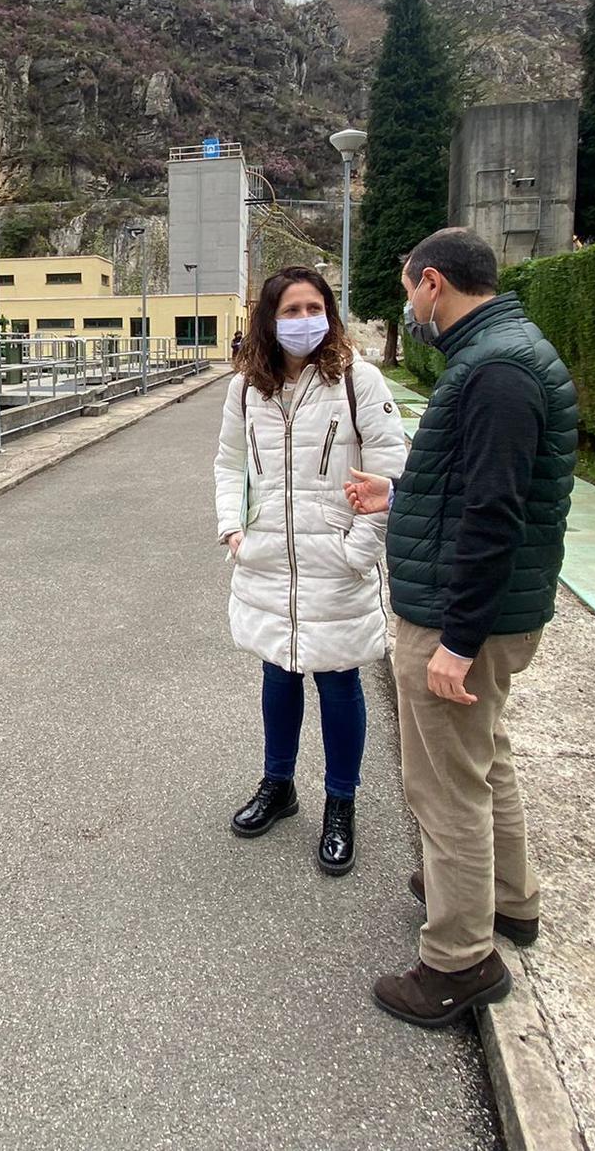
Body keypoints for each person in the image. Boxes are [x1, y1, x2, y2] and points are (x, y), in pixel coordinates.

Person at [343, 228, 577, 1027]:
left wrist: (457, 641)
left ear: (432, 282)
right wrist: (398, 496)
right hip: (483, 608)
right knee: (485, 761)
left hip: (460, 614)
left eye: (410, 290)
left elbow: (492, 513)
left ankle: (457, 961)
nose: (409, 305)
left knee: (443, 788)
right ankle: (509, 900)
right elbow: (471, 488)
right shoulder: (502, 354)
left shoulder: (495, 371)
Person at [213, 265, 407, 875]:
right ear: (268, 321)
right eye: (290, 310)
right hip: (270, 557)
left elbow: (390, 471)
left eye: (312, 307)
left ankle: (340, 803)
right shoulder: (247, 388)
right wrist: (234, 527)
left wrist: (362, 547)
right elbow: (228, 463)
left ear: (330, 313)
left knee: (339, 681)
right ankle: (279, 785)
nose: (303, 321)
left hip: (335, 560)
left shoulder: (358, 381)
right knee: (278, 674)